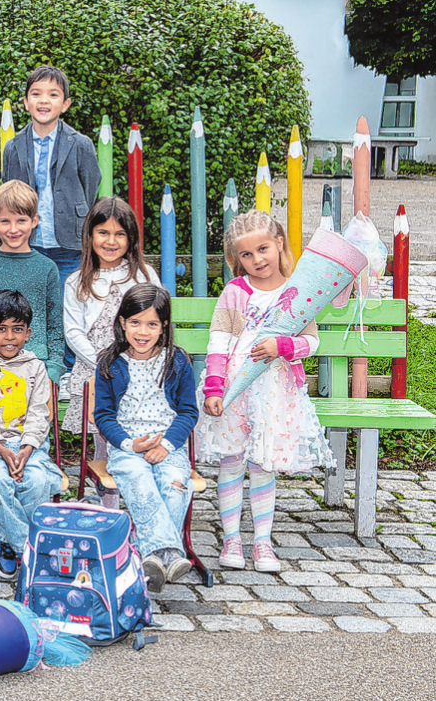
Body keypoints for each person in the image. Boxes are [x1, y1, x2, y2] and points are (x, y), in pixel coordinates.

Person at [197, 211, 333, 574]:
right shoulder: (234, 293)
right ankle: (231, 539)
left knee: (262, 466)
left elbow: (311, 342)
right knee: (231, 462)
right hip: (235, 392)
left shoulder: (297, 292)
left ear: (279, 245)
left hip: (275, 392)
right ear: (235, 260)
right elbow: (218, 343)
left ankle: (262, 541)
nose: (257, 259)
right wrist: (214, 387)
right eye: (246, 255)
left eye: (263, 249)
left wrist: (282, 346)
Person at [0, 180, 64, 546]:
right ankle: (17, 533)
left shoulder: (47, 268)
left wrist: (51, 369)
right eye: (5, 221)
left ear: (35, 221)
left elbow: (53, 321)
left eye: (21, 221)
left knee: (34, 461)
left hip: (33, 368)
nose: (13, 229)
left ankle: (4, 527)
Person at [93, 285, 199, 592]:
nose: (143, 331)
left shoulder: (177, 361)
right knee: (139, 481)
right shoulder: (110, 364)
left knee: (175, 486)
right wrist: (129, 444)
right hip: (127, 447)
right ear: (122, 322)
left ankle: (146, 552)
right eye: (135, 322)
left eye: (152, 324)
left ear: (164, 325)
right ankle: (170, 553)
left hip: (170, 446)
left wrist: (166, 445)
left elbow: (188, 412)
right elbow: (104, 415)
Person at [62, 196, 157, 503]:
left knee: (135, 433)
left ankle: (142, 498)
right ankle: (109, 507)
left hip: (139, 368)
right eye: (103, 232)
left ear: (131, 239)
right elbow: (73, 331)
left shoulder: (143, 276)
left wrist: (132, 360)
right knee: (104, 437)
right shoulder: (78, 281)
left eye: (119, 234)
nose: (111, 241)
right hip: (97, 370)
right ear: (90, 235)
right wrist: (104, 362)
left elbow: (156, 320)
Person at [0, 290, 65, 579]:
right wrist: (1, 448)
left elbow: (39, 414)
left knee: (38, 480)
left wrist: (27, 448)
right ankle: (29, 548)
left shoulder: (36, 369)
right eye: (1, 329)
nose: (9, 337)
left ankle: (5, 537)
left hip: (29, 446)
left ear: (28, 333)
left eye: (17, 330)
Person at [0, 64, 100, 289]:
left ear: (65, 104)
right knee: (29, 306)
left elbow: (90, 188)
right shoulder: (13, 147)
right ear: (26, 102)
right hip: (28, 245)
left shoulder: (80, 145)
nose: (44, 100)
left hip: (70, 247)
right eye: (36, 94)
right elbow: (8, 193)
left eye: (53, 95)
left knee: (67, 305)